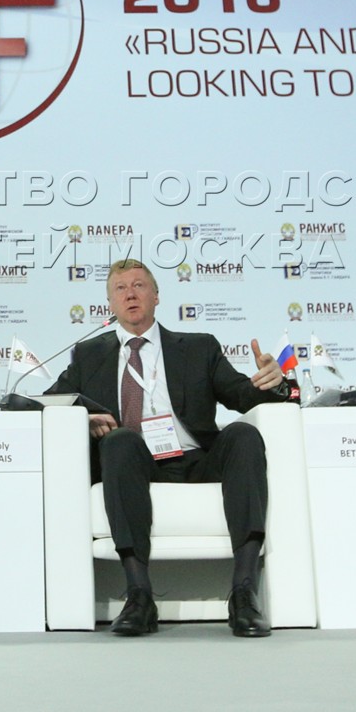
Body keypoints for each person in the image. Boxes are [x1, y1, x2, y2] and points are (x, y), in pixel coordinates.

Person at [49, 259, 288, 637]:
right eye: (120, 288)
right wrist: (84, 416)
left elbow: (241, 395)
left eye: (139, 285)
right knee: (119, 441)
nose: (130, 294)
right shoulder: (89, 354)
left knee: (243, 435)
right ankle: (139, 596)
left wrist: (272, 383)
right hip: (133, 461)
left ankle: (244, 593)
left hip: (197, 457)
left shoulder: (198, 347)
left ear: (156, 296)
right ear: (109, 303)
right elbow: (53, 403)